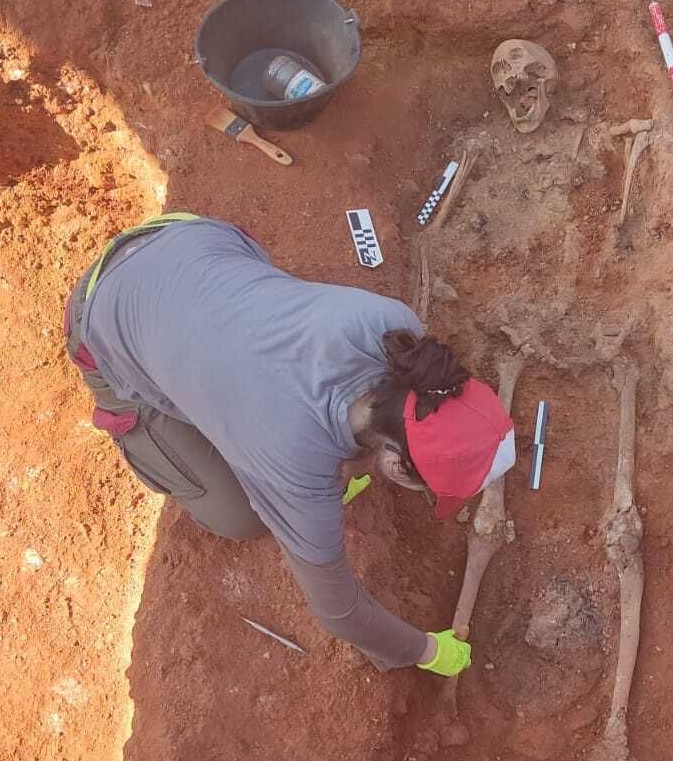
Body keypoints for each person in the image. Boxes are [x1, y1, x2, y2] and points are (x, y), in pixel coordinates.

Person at [62, 214, 516, 673]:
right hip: (102, 317)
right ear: (397, 467)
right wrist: (428, 652)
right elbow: (341, 613)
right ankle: (141, 425)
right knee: (239, 516)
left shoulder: (394, 326)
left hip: (194, 239)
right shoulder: (293, 469)